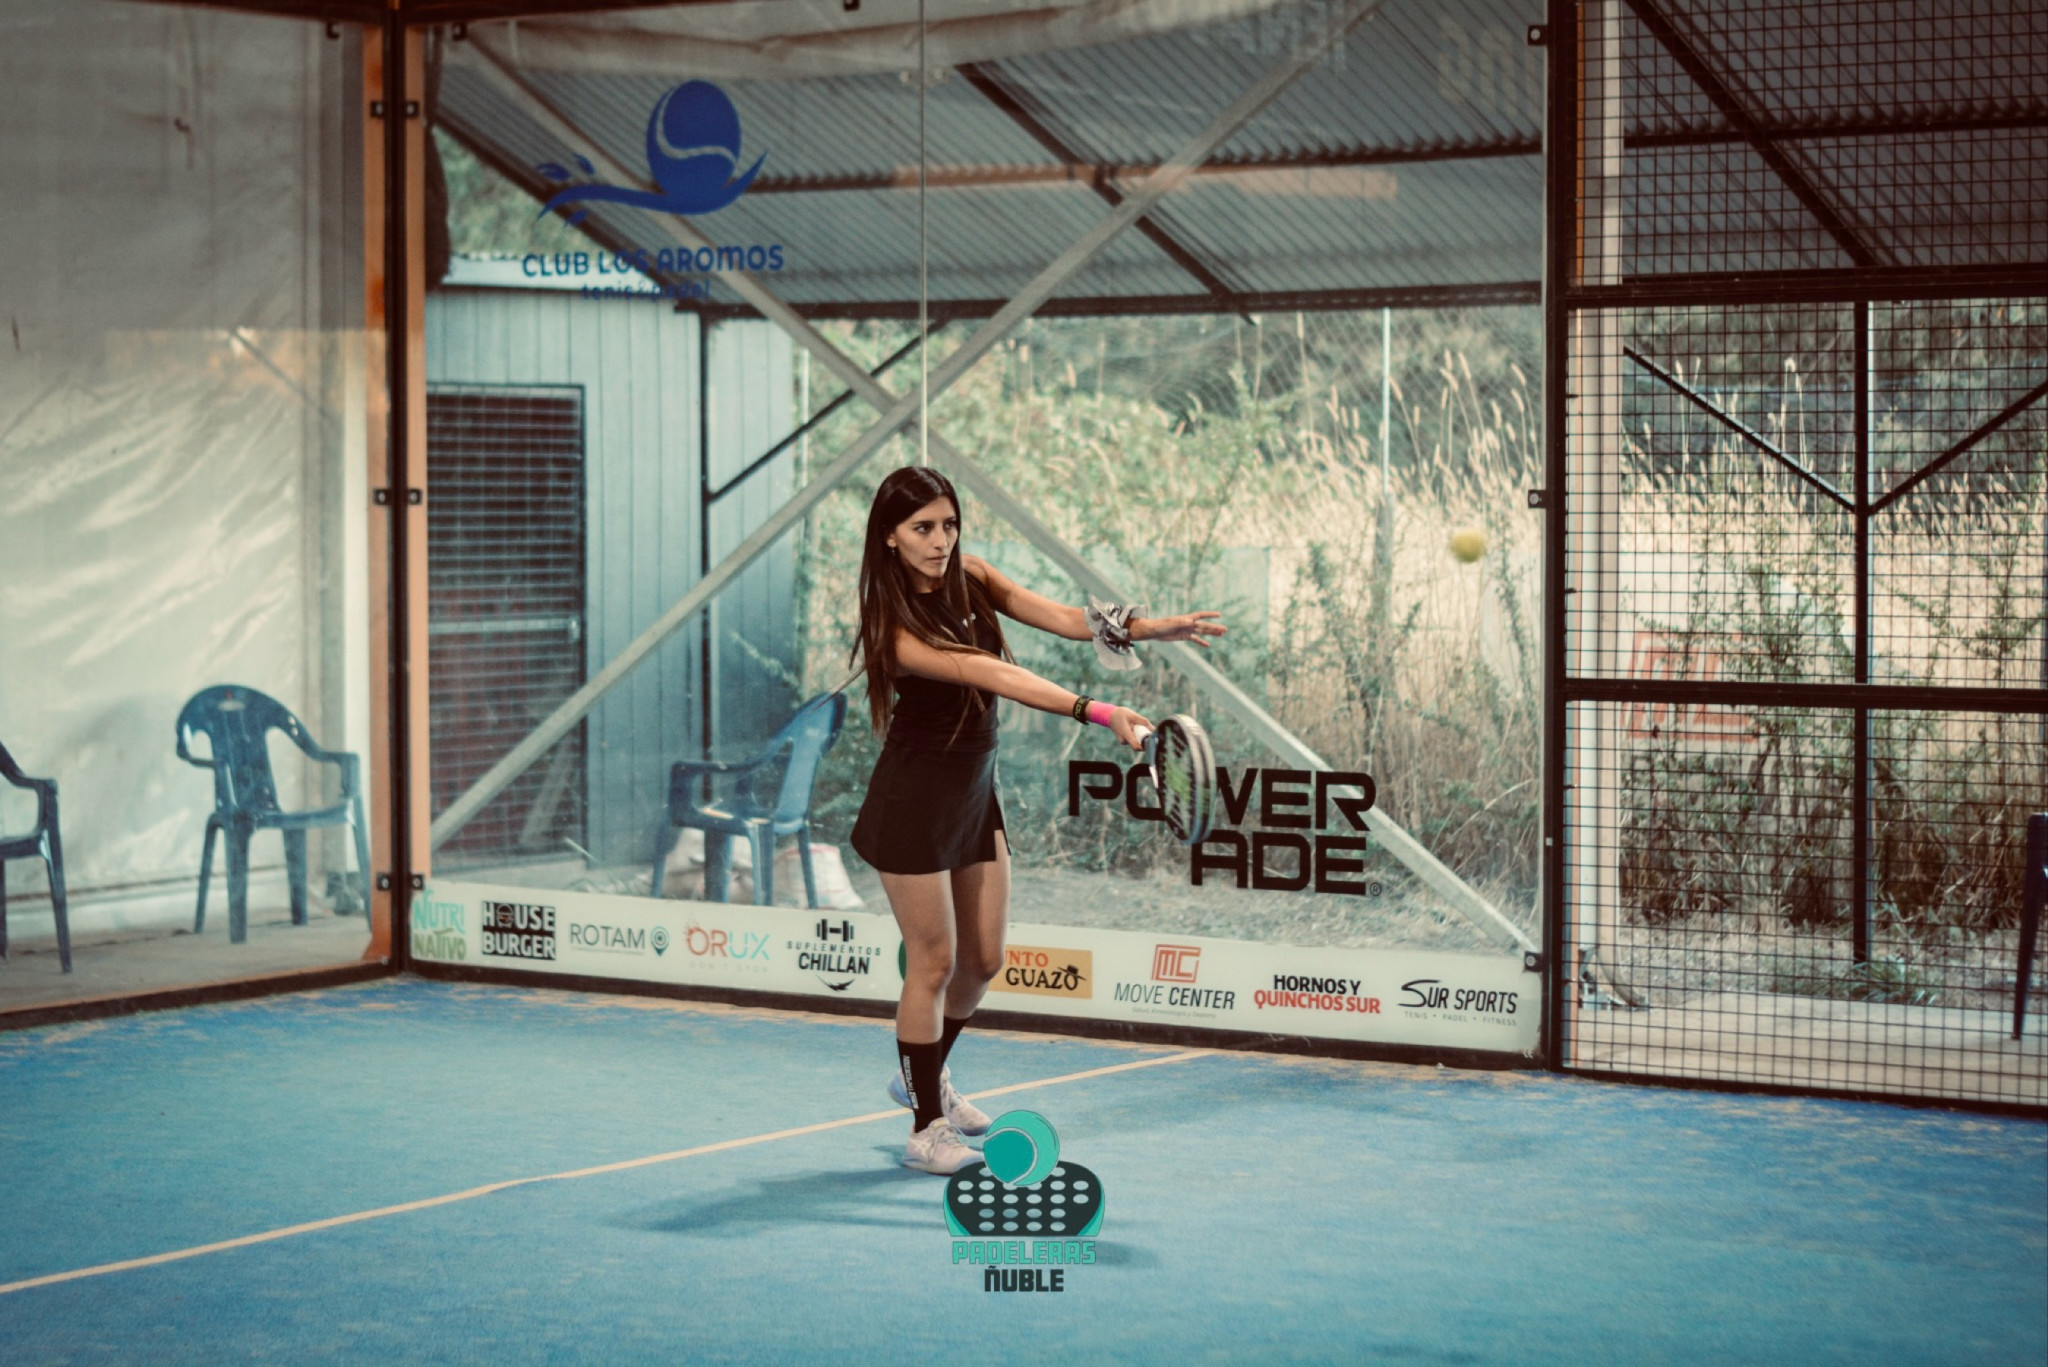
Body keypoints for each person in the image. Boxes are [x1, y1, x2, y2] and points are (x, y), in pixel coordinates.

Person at [847, 466, 1226, 1174]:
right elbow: (995, 674)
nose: (940, 540)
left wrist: (1148, 628)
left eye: (949, 524)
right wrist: (1101, 712)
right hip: (914, 799)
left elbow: (1059, 616)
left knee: (983, 961)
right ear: (890, 537)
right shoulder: (892, 626)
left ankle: (919, 1076)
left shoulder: (972, 577)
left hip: (971, 793)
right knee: (934, 961)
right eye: (922, 528)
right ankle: (925, 1128)